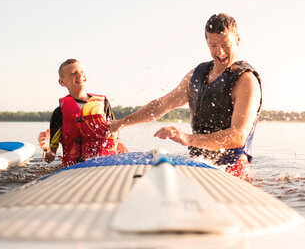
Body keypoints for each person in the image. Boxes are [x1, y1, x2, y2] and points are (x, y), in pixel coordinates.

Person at [109, 13, 262, 178]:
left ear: (237, 40)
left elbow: (238, 136)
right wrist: (121, 123)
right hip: (199, 164)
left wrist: (187, 139)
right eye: (213, 45)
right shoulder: (197, 75)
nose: (220, 52)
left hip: (233, 169)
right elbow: (161, 105)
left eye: (225, 45)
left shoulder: (246, 80)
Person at [38, 59, 128, 166]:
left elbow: (117, 141)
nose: (79, 75)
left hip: (105, 164)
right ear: (62, 82)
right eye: (73, 73)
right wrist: (45, 148)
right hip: (74, 168)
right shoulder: (59, 113)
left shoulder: (103, 104)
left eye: (81, 71)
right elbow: (49, 158)